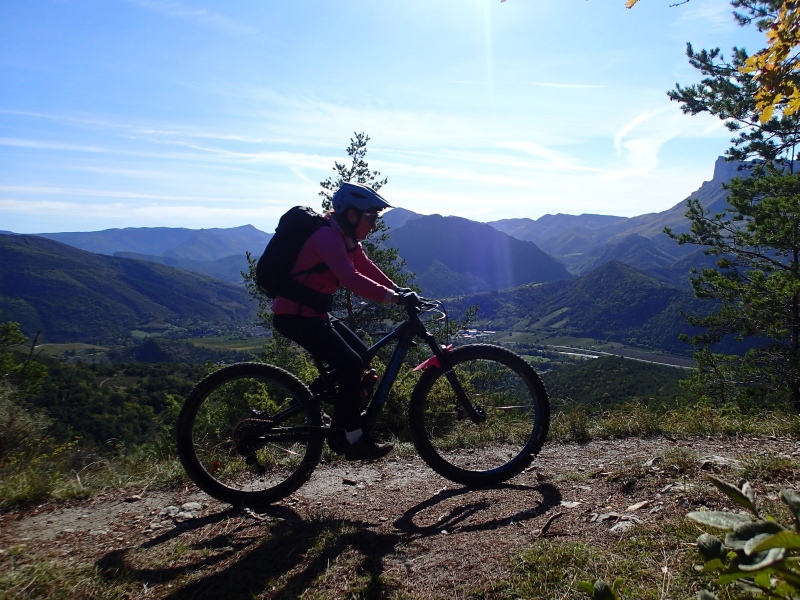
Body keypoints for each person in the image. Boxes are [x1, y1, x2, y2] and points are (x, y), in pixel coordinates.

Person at [271, 182, 416, 461]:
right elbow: (351, 278)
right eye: (371, 218)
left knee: (362, 355)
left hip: (313, 314)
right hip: (295, 317)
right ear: (352, 215)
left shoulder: (345, 239)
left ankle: (313, 399)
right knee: (350, 364)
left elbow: (366, 267)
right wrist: (394, 299)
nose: (373, 225)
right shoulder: (327, 238)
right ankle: (351, 438)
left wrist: (399, 291)